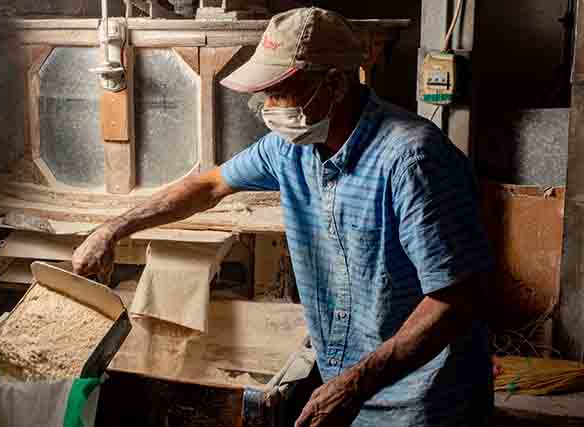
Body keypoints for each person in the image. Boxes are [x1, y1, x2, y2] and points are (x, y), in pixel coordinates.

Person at [72, 7, 494, 427]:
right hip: (350, 391)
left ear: (334, 83)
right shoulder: (289, 149)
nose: (268, 108)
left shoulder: (413, 160)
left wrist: (355, 384)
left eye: (279, 93)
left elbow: (456, 300)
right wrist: (113, 228)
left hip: (422, 402)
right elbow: (209, 186)